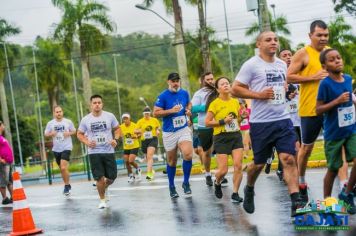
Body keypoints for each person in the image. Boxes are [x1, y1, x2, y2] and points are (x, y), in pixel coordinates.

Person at [232, 31, 304, 216]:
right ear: (259, 44)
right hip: (261, 123)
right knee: (258, 163)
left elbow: (282, 87)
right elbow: (235, 89)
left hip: (283, 119)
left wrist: (287, 92)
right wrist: (259, 95)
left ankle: (295, 201)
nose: (273, 42)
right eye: (268, 40)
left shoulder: (281, 65)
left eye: (275, 40)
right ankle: (249, 188)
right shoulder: (251, 65)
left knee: (288, 158)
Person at [287, 20, 342, 204]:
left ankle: (344, 185)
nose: (323, 38)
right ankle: (301, 181)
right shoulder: (303, 53)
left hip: (331, 108)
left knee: (338, 145)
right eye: (319, 35)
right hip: (310, 110)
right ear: (310, 35)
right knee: (307, 148)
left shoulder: (330, 52)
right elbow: (289, 76)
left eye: (326, 35)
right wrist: (313, 77)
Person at [316, 48, 356, 214]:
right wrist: (336, 101)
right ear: (325, 66)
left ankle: (346, 194)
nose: (337, 61)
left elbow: (349, 102)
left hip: (351, 129)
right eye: (332, 60)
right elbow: (318, 109)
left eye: (339, 58)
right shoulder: (325, 84)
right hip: (334, 133)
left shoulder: (348, 79)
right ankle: (326, 202)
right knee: (333, 169)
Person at [153, 72, 193, 198]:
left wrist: (188, 110)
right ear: (168, 82)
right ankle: (171, 186)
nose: (176, 83)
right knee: (172, 161)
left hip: (183, 129)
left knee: (188, 154)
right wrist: (171, 111)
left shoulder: (184, 93)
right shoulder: (163, 96)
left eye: (177, 81)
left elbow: (189, 103)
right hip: (169, 131)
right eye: (173, 81)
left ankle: (186, 182)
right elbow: (155, 113)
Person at [205, 77, 244, 202]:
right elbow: (207, 122)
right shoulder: (214, 104)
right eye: (222, 84)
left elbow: (236, 121)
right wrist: (222, 121)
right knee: (223, 170)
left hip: (235, 135)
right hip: (221, 137)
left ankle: (235, 193)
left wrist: (242, 117)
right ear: (218, 89)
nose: (226, 85)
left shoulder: (235, 102)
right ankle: (217, 182)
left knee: (238, 165)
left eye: (227, 83)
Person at [77, 95, 120, 209]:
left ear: (102, 104)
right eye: (94, 103)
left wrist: (115, 139)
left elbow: (117, 129)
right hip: (94, 152)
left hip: (108, 151)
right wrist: (87, 142)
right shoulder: (86, 119)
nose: (97, 104)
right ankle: (102, 200)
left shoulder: (110, 116)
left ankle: (104, 186)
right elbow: (79, 134)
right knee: (99, 178)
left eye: (99, 102)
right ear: (91, 105)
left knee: (112, 177)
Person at [45, 106, 76, 196]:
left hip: (66, 147)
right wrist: (52, 134)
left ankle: (66, 186)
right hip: (56, 149)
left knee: (63, 167)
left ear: (62, 112)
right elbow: (46, 133)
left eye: (60, 111)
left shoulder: (68, 122)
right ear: (54, 113)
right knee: (63, 169)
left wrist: (68, 133)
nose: (59, 113)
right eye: (57, 112)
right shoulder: (50, 123)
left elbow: (74, 131)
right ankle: (67, 184)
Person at [191, 72, 215, 186]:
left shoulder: (217, 91)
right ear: (202, 81)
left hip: (219, 124)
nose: (210, 81)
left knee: (221, 150)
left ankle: (221, 174)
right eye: (208, 79)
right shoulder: (199, 93)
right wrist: (208, 107)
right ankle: (208, 173)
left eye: (211, 79)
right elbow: (193, 108)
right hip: (204, 126)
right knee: (207, 153)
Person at [136, 107, 160, 181]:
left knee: (150, 156)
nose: (146, 115)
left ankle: (149, 174)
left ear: (150, 113)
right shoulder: (140, 121)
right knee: (147, 158)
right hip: (144, 140)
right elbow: (135, 131)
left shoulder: (154, 120)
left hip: (153, 139)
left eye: (148, 113)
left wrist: (158, 131)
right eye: (145, 114)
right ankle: (151, 170)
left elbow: (158, 127)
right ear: (143, 114)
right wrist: (140, 130)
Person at [119, 113, 142, 183]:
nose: (125, 120)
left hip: (134, 146)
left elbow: (140, 134)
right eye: (124, 119)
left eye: (126, 118)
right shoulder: (121, 127)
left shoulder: (134, 125)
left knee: (131, 161)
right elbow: (119, 134)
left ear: (129, 119)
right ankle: (131, 175)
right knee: (126, 162)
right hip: (126, 146)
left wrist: (136, 137)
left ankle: (138, 168)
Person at [0, 121, 13, 205]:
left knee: (9, 180)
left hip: (8, 162)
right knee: (4, 181)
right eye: (2, 125)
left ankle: (13, 196)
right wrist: (0, 159)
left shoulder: (1, 137)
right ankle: (4, 198)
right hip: (3, 163)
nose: (4, 126)